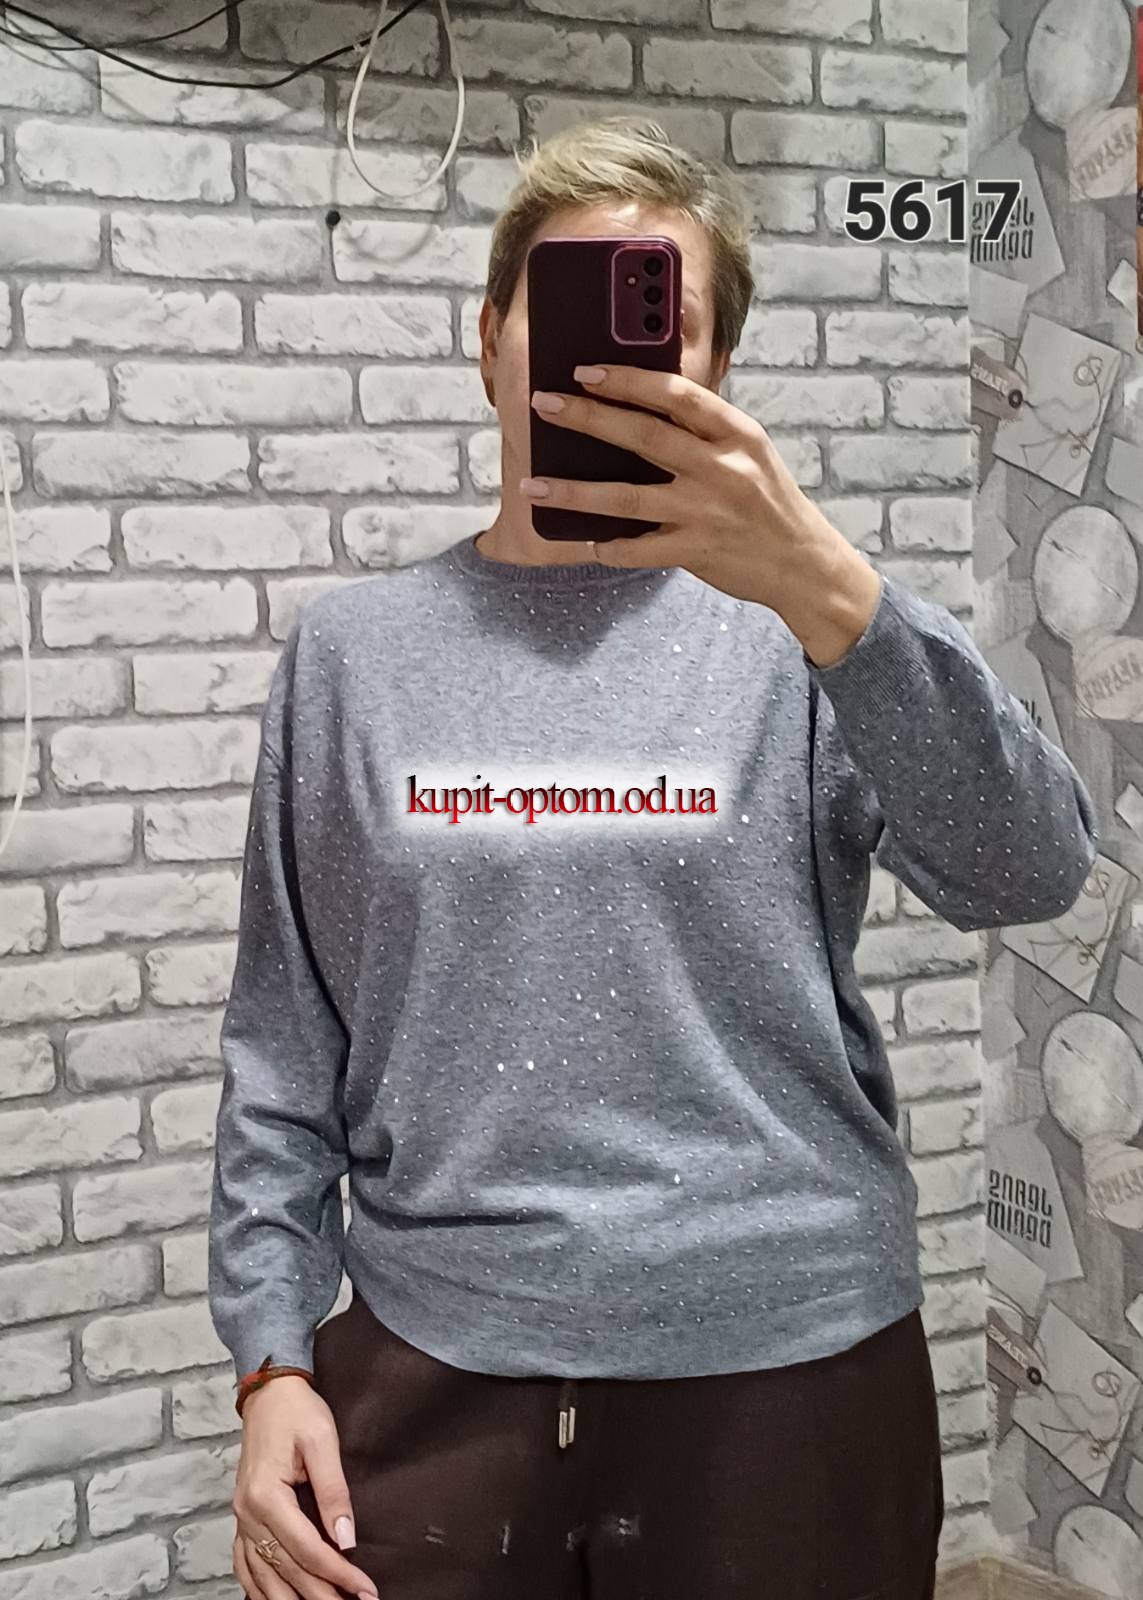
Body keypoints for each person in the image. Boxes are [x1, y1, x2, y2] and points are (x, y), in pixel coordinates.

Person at [208, 116, 1099, 1600]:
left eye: (655, 329)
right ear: (488, 340)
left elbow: (1031, 872)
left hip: (791, 1365)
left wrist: (833, 591)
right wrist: (271, 1358)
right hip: (435, 1367)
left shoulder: (808, 634)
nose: (599, 368)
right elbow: (283, 1043)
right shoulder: (352, 657)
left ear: (716, 372)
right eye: (560, 314)